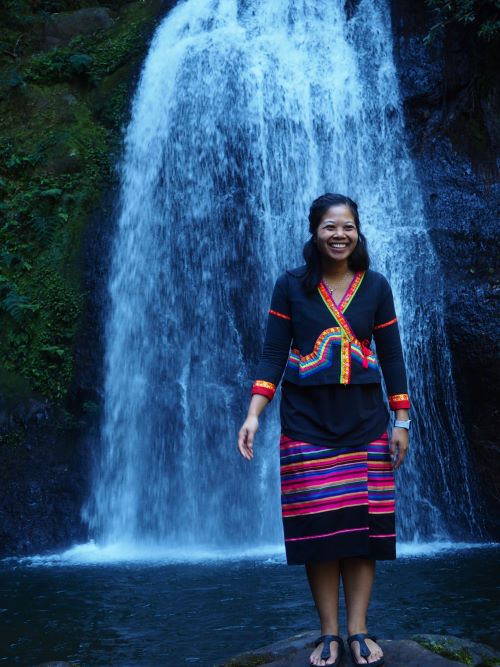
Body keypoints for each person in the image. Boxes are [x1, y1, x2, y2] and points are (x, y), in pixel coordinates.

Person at [237, 193, 411, 667]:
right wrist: (254, 413)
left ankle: (359, 630)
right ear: (315, 232)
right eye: (330, 227)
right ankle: (328, 634)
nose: (340, 235)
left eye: (348, 227)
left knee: (362, 530)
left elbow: (392, 357)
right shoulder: (290, 286)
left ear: (358, 232)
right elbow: (274, 354)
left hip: (366, 423)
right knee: (319, 532)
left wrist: (402, 420)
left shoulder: (375, 286)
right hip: (306, 424)